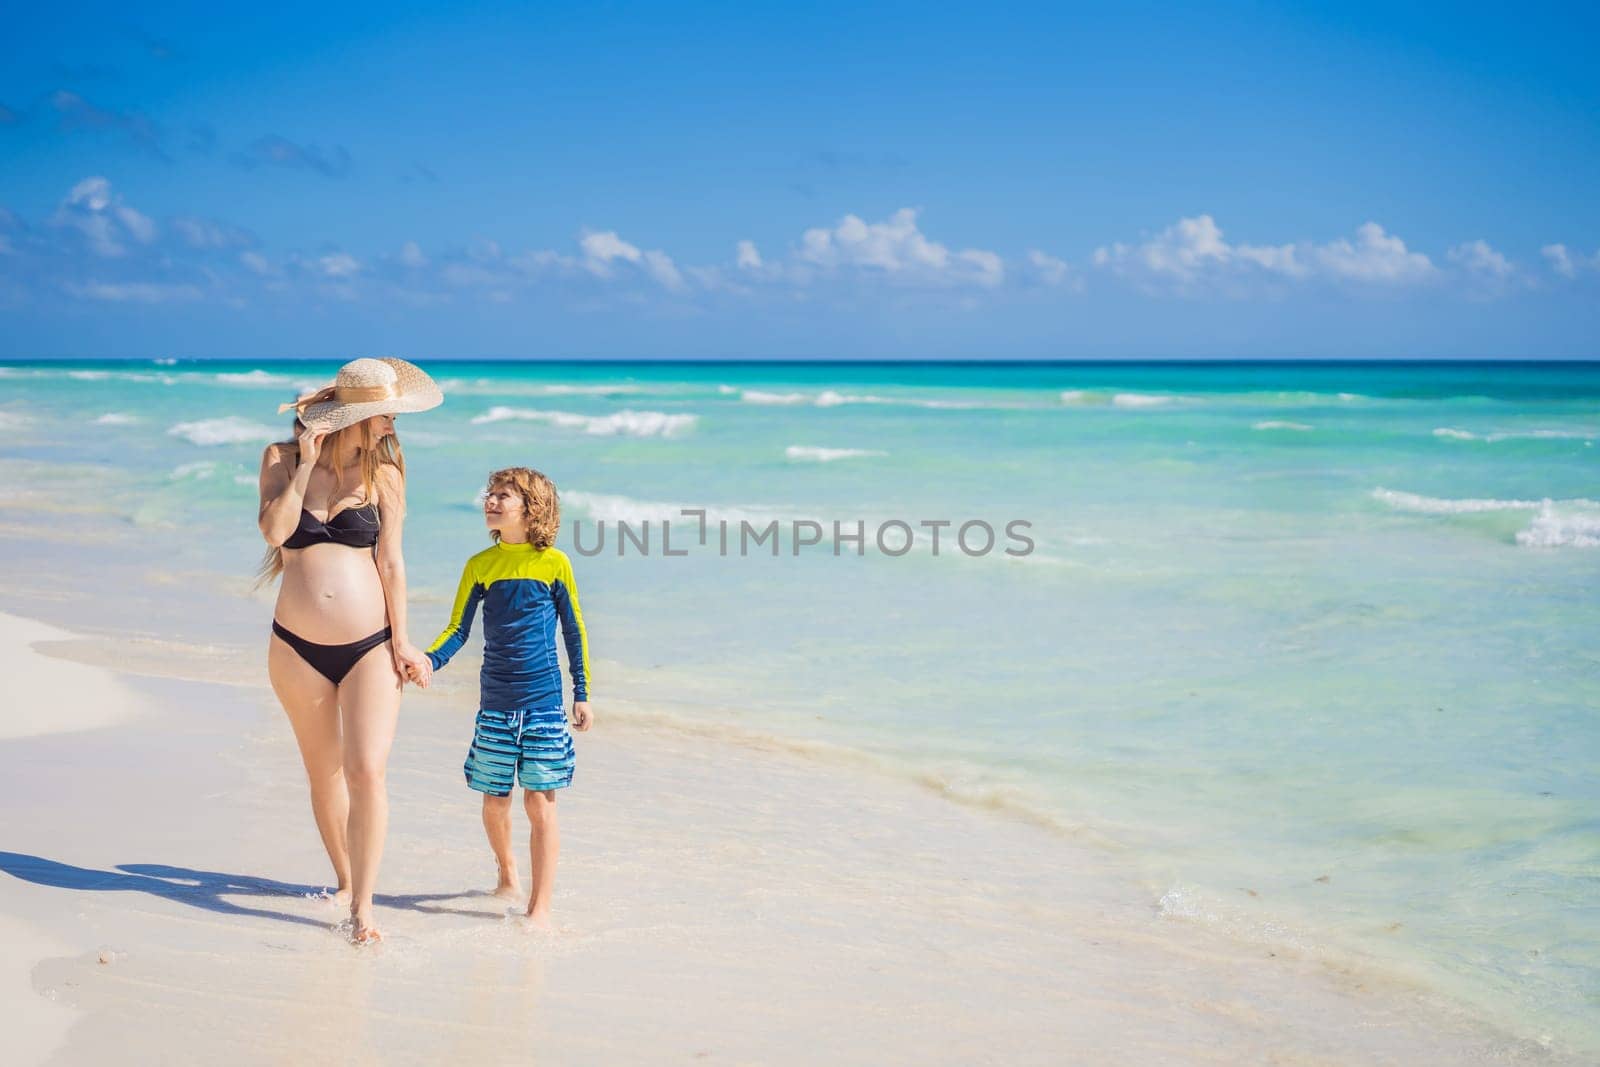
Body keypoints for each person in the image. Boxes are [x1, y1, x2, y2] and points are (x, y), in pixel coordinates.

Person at [256, 356, 443, 943]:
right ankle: (344, 878)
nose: (391, 426)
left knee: (367, 771)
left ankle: (364, 907)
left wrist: (405, 641)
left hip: (370, 646)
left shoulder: (386, 474)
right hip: (296, 649)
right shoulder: (281, 460)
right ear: (353, 417)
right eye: (383, 415)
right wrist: (307, 465)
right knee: (324, 774)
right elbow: (275, 533)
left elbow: (391, 562)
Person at [418, 466, 593, 929]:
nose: (491, 502)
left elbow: (574, 630)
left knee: (540, 802)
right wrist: (429, 661)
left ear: (529, 509)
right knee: (495, 801)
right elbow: (458, 628)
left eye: (502, 496)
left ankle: (540, 907)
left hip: (542, 702)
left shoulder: (554, 563)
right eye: (489, 495)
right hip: (495, 700)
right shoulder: (480, 566)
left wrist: (583, 692)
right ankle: (507, 871)